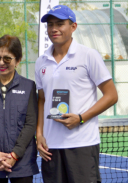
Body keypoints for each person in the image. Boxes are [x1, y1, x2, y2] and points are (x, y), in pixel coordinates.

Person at [35, 5, 118, 183]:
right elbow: (41, 100)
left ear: (73, 27)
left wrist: (81, 118)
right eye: (50, 25)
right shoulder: (41, 61)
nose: (54, 29)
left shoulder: (89, 55)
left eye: (60, 23)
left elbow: (111, 95)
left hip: (82, 144)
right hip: (51, 148)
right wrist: (39, 134)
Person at [0, 35, 39, 183]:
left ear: (18, 60)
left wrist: (15, 155)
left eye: (7, 59)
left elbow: (30, 123)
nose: (1, 63)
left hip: (22, 163)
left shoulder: (29, 86)